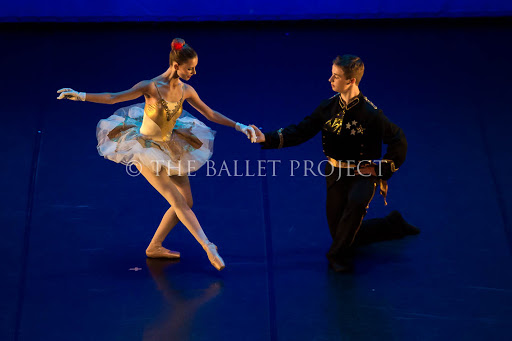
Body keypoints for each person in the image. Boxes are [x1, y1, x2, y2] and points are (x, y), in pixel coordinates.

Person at [57, 38, 256, 271]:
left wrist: (239, 126)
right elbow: (113, 97)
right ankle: (208, 246)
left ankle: (155, 246)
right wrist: (80, 95)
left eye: (194, 67)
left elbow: (210, 113)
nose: (194, 72)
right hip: (146, 149)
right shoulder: (151, 86)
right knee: (178, 201)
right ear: (176, 66)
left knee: (187, 201)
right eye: (190, 68)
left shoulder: (186, 90)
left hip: (171, 145)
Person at [250, 55, 418, 272]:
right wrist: (267, 137)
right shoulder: (327, 107)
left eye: (336, 76)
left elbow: (398, 139)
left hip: (362, 173)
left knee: (355, 207)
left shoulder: (371, 114)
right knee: (343, 232)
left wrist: (381, 168)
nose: (330, 79)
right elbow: (302, 130)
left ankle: (337, 257)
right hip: (335, 172)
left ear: (351, 81)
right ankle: (391, 225)